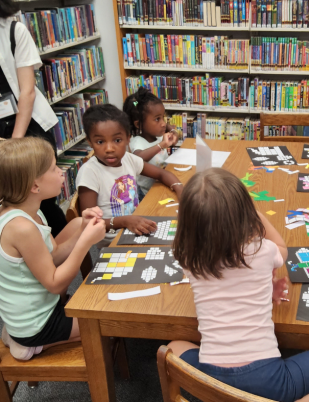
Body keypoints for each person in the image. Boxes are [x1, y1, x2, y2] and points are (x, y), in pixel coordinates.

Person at [167, 168, 309, 402]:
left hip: (211, 378)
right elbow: (283, 250)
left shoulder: (189, 257)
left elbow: (230, 284)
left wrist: (265, 288)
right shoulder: (263, 250)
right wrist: (254, 213)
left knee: (173, 347)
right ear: (245, 215)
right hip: (270, 381)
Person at [0, 137, 105, 361]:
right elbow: (55, 282)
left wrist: (80, 231)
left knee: (77, 225)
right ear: (34, 186)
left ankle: (17, 334)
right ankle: (32, 345)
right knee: (106, 323)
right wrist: (86, 241)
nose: (61, 172)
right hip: (40, 324)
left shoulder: (29, 211)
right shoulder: (21, 228)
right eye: (53, 168)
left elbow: (52, 256)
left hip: (37, 311)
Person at [0, 0, 67, 237]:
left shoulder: (14, 30)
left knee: (41, 201)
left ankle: (60, 259)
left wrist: (13, 144)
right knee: (9, 205)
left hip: (26, 128)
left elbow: (27, 92)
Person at [76, 104, 183, 243]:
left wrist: (180, 189)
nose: (109, 148)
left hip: (136, 229)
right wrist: (125, 221)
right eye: (100, 142)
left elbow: (162, 174)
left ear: (128, 139)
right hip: (113, 242)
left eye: (117, 140)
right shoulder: (89, 172)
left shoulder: (128, 159)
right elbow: (90, 223)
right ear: (90, 142)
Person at [123, 87, 179, 200]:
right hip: (146, 193)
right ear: (138, 124)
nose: (163, 123)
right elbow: (139, 158)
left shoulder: (157, 134)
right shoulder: (137, 141)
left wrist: (173, 132)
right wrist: (161, 145)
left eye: (163, 117)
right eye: (157, 119)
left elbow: (168, 127)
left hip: (161, 183)